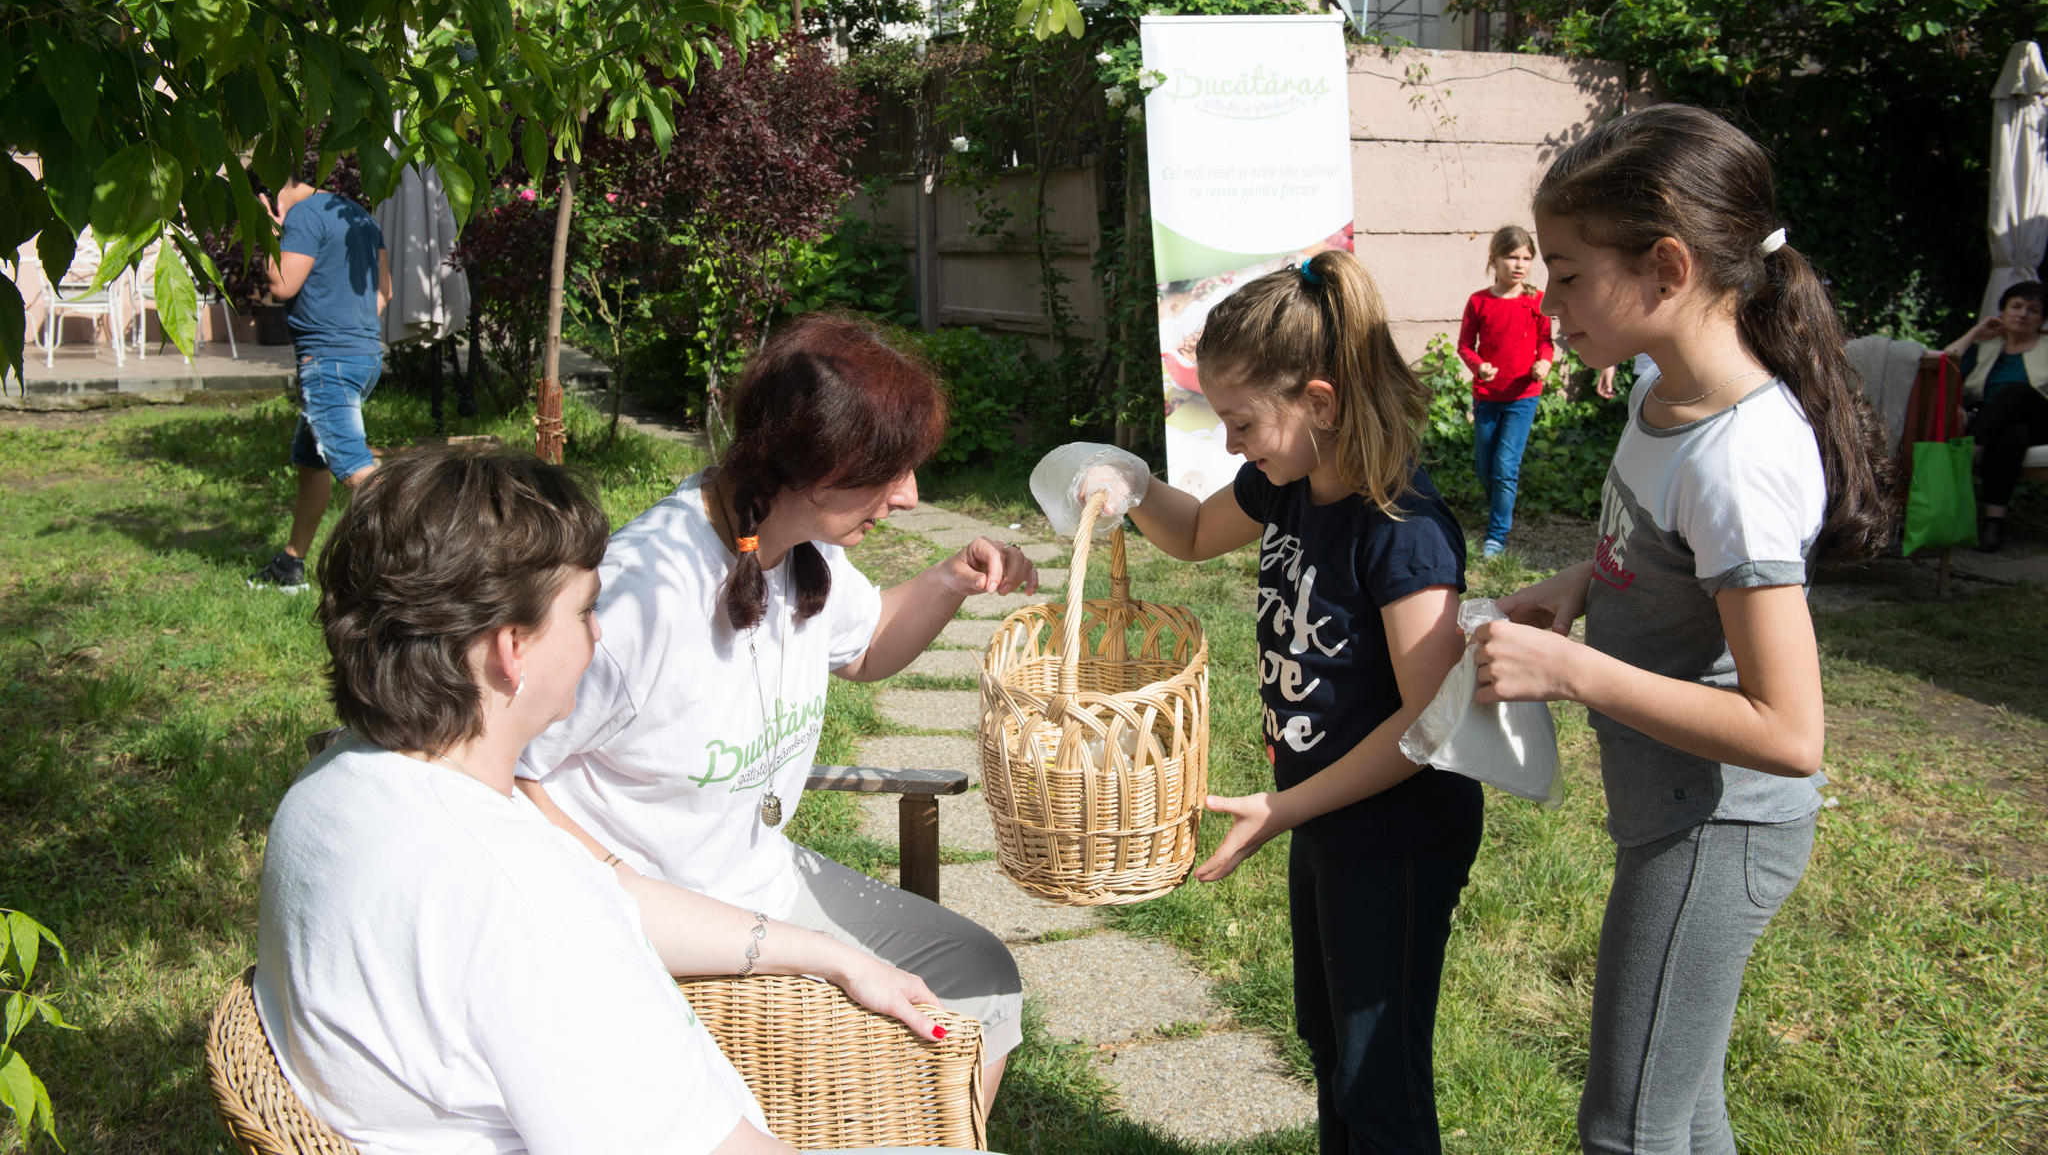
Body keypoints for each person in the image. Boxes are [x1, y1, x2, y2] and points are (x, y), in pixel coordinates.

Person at [258, 446, 954, 1154]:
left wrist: (838, 956)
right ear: (512, 649)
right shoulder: (531, 908)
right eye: (586, 611)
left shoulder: (334, 788)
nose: (600, 632)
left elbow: (611, 892)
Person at [1469, 105, 1894, 1155]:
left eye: (1567, 275)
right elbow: (1653, 547)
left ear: (1664, 267)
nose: (1548, 300)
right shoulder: (1661, 390)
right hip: (1672, 810)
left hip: (1717, 825)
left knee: (1627, 1128)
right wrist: (1578, 581)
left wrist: (1571, 669)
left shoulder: (1737, 460)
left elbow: (1788, 730)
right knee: (1683, 1112)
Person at [514, 312, 1034, 1114]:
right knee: (877, 1051)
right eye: (889, 471)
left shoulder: (796, 548)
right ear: (814, 461)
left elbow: (866, 651)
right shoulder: (642, 595)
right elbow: (507, 772)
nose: (910, 497)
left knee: (980, 981)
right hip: (667, 927)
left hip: (763, 881)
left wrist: (950, 580)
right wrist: (614, 885)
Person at [1048, 250, 1480, 1155]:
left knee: (1379, 1075)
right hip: (1326, 816)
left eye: (1243, 421)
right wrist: (1131, 488)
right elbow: (1198, 531)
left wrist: (1283, 806)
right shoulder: (1289, 481)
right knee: (1331, 1046)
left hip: (1395, 832)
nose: (1234, 442)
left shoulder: (1403, 532)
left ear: (1319, 403)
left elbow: (1433, 722)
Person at [248, 174, 392, 594]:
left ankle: (440, 562)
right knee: (312, 461)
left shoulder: (304, 216)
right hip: (363, 354)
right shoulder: (358, 215)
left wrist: (269, 229)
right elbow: (384, 293)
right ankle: (290, 565)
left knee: (355, 470)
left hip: (328, 360)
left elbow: (280, 284)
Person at [1458, 224, 1555, 558]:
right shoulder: (1479, 302)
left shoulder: (1536, 301)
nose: (1520, 264)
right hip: (1486, 397)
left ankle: (1496, 535)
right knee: (1486, 468)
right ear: (1494, 259)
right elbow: (1465, 346)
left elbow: (1546, 343)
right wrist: (1479, 366)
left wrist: (1544, 362)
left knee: (1504, 468)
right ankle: (1501, 502)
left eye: (1527, 258)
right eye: (1512, 257)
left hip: (1523, 397)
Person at [1938, 280, 2047, 552]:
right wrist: (1976, 331)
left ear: (2043, 320)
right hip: (1997, 424)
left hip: (2042, 420)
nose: (2022, 313)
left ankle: (1967, 454)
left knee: (2016, 392)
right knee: (2012, 434)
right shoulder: (1987, 346)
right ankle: (1993, 523)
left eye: (2032, 310)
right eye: (2016, 306)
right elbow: (1943, 363)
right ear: (2002, 313)